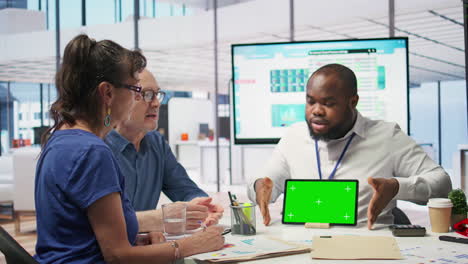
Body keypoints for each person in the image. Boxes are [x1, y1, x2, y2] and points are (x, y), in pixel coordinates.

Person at [35, 34, 224, 264]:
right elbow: (118, 256)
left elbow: (81, 237)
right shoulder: (92, 151)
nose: (140, 99)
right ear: (107, 93)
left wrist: (140, 240)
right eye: (137, 91)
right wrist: (188, 246)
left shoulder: (60, 139)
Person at [247, 63, 452, 229]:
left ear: (353, 101)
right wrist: (259, 187)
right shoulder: (294, 136)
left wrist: (397, 187)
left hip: (366, 247)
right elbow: (267, 182)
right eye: (310, 102)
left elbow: (442, 185)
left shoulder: (387, 136)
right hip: (299, 246)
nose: (316, 111)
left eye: (328, 103)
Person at [104, 69, 223, 231]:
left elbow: (183, 188)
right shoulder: (100, 148)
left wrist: (202, 205)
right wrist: (163, 218)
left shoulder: (156, 143)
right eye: (146, 94)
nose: (156, 103)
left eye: (157, 94)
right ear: (119, 99)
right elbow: (106, 224)